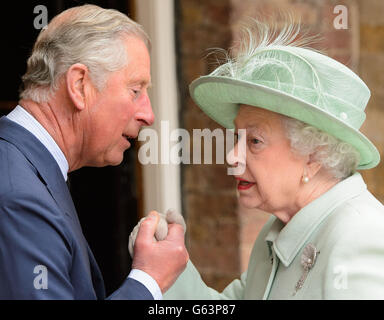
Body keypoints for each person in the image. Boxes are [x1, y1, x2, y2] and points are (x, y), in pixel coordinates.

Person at [163, 20, 384, 299]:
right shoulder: (279, 228)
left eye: (254, 141)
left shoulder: (361, 237)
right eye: (237, 138)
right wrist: (170, 267)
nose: (233, 155)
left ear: (313, 156)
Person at [0, 4, 188, 299]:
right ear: (79, 85)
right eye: (136, 90)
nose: (148, 115)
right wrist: (148, 279)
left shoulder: (26, 166)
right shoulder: (19, 197)